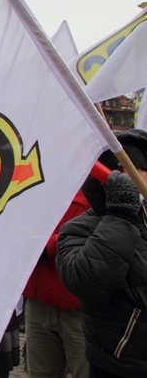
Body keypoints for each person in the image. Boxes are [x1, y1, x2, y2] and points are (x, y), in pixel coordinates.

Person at [57, 128, 147, 377]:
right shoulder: (81, 228)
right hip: (120, 365)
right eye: (117, 171)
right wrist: (120, 216)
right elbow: (87, 281)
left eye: (136, 170)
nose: (127, 178)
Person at [23, 191, 90, 378]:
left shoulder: (95, 186)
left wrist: (48, 246)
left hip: (80, 307)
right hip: (40, 302)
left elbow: (98, 228)